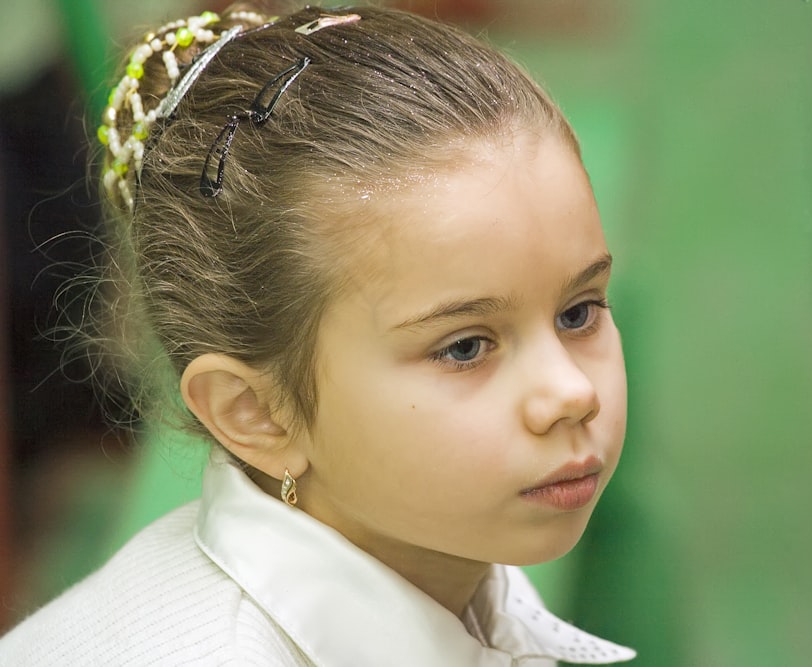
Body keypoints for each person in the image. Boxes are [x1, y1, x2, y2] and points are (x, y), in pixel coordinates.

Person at [0, 5, 635, 665]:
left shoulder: (451, 562)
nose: (571, 391)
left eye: (579, 311)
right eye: (465, 347)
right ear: (257, 412)